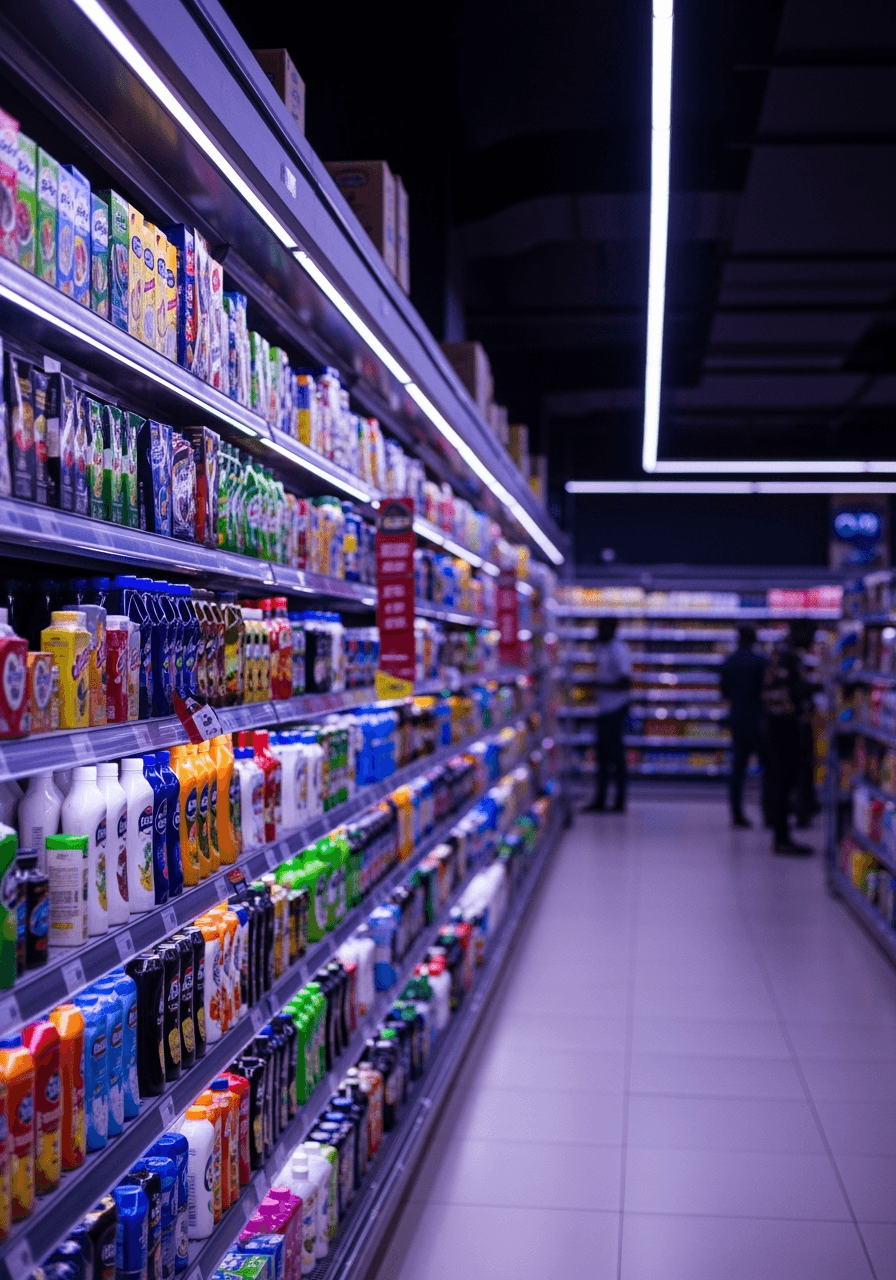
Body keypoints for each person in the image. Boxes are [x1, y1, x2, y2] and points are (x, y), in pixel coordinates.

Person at [762, 625, 813, 855]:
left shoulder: (780, 654)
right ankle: (781, 837)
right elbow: (791, 691)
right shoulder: (787, 658)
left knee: (779, 780)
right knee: (783, 780)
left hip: (776, 727)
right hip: (783, 729)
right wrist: (814, 687)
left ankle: (779, 830)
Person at [719, 624, 767, 829]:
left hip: (737, 718)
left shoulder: (728, 662)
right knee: (767, 768)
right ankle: (769, 813)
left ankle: (736, 814)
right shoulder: (761, 662)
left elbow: (724, 692)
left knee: (738, 769)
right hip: (759, 719)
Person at [584, 617, 632, 813]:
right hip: (605, 708)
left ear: (611, 629)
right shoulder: (603, 647)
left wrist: (599, 685)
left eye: (601, 627)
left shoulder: (618, 649)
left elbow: (626, 680)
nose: (598, 631)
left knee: (615, 756)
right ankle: (601, 799)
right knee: (603, 756)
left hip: (616, 708)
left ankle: (619, 801)